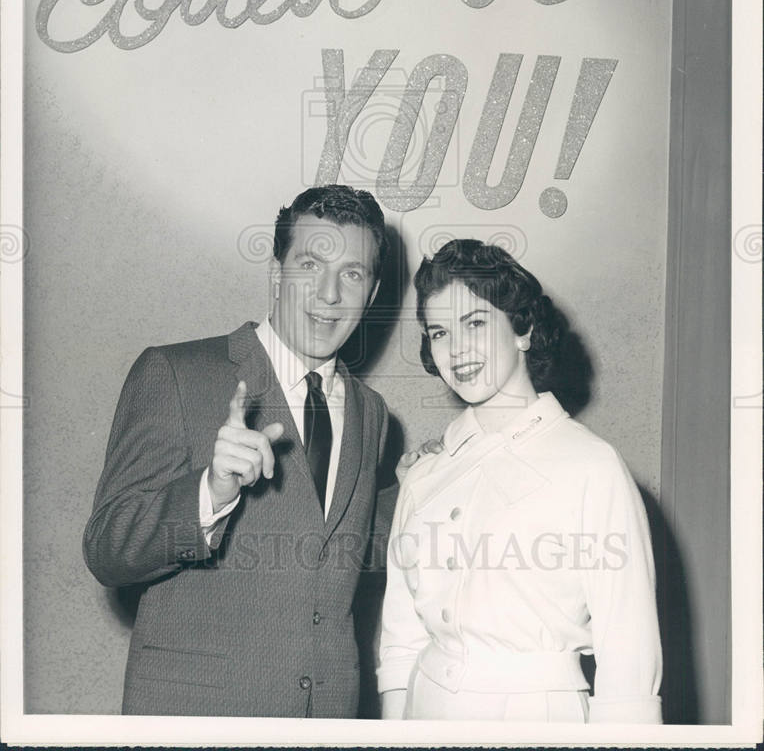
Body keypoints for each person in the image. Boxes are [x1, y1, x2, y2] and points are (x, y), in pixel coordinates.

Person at [84, 185, 400, 717]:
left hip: (326, 719)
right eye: (310, 265)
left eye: (352, 273)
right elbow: (107, 550)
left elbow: (339, 557)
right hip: (197, 716)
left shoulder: (373, 413)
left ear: (370, 294)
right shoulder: (176, 374)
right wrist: (210, 491)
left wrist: (427, 489)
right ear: (276, 275)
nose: (329, 293)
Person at [377, 239, 663, 724]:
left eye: (475, 323)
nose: (457, 349)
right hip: (422, 711)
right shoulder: (425, 473)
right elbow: (401, 642)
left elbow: (629, 665)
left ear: (523, 329)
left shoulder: (592, 466)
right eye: (440, 332)